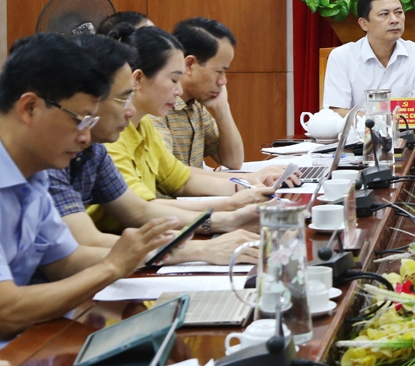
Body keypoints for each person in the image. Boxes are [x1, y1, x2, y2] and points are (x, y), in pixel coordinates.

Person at [0, 33, 176, 343]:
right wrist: (111, 266)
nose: (85, 138)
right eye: (80, 120)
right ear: (29, 108)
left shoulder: (34, 176)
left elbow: (64, 261)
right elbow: (6, 311)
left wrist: (138, 254)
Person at [48, 35, 260, 265]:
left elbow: (138, 210)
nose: (129, 111)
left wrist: (228, 217)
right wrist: (201, 248)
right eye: (122, 98)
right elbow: (82, 245)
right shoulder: (50, 160)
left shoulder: (94, 150)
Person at [99, 25, 272, 232]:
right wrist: (230, 208)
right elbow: (140, 210)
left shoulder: (143, 124)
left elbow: (182, 179)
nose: (179, 89)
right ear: (137, 79)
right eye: (173, 80)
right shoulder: (109, 134)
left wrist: (247, 185)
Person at [148, 17, 245, 171]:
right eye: (219, 71)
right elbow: (173, 175)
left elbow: (233, 161)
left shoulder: (196, 105)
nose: (223, 81)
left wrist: (222, 107)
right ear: (189, 65)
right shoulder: (157, 107)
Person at [324, 0, 415, 113]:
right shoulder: (342, 57)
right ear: (364, 23)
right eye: (384, 14)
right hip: (359, 132)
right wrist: (377, 124)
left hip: (405, 132)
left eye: (399, 12)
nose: (394, 20)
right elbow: (337, 111)